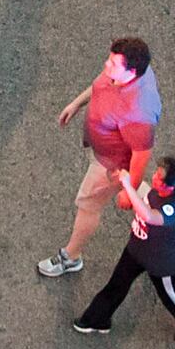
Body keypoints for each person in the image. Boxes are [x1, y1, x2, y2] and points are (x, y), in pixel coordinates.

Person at [36, 40, 163, 279]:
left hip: (111, 165)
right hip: (101, 151)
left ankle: (71, 257)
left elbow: (140, 156)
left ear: (131, 72)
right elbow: (101, 83)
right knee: (129, 195)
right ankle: (161, 216)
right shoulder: (125, 73)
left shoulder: (139, 112)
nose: (106, 64)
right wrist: (76, 104)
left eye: (113, 63)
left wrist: (129, 190)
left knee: (88, 205)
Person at [70, 156, 175, 343]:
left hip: (161, 261)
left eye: (159, 178)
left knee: (171, 295)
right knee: (117, 284)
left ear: (170, 188)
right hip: (137, 249)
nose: (154, 178)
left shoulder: (172, 209)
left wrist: (127, 185)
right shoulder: (158, 193)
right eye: (156, 173)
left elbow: (149, 216)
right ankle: (96, 319)